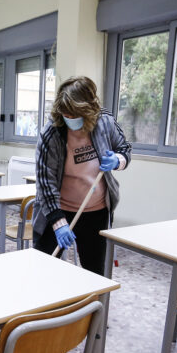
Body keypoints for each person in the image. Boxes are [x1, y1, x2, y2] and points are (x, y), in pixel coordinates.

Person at [33, 75, 132, 275]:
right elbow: (45, 183)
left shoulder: (105, 121)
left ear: (88, 110)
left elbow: (125, 148)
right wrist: (59, 223)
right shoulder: (51, 133)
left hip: (96, 211)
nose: (69, 118)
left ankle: (92, 307)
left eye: (74, 114)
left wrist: (118, 160)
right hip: (59, 209)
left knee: (95, 272)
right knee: (44, 268)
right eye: (65, 114)